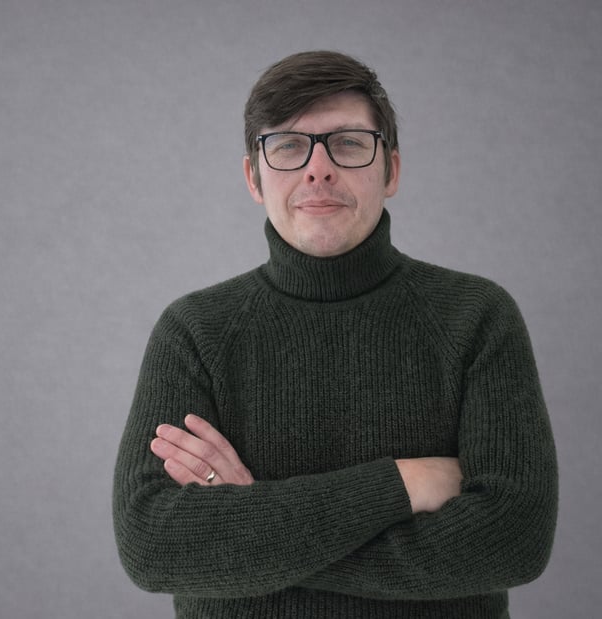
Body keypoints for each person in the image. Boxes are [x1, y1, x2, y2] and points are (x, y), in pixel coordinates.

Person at [113, 50, 558, 618]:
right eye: (288, 146)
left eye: (348, 143)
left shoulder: (476, 317)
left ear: (391, 170)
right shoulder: (195, 331)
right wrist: (400, 484)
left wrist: (252, 530)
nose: (317, 170)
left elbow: (514, 542)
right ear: (254, 176)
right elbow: (152, 545)